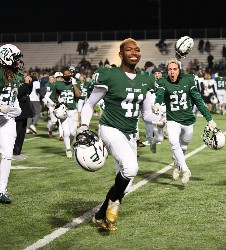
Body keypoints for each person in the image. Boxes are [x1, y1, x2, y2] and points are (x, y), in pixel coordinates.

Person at [78, 38, 165, 231]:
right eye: (129, 50)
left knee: (126, 179)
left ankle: (100, 215)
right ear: (120, 54)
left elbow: (147, 113)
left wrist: (162, 118)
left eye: (137, 50)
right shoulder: (109, 75)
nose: (134, 53)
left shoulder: (146, 79)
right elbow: (90, 103)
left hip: (130, 133)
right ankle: (114, 203)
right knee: (131, 167)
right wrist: (83, 127)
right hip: (110, 128)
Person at [155, 57, 217, 185]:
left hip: (188, 120)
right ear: (167, 71)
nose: (172, 72)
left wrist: (209, 118)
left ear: (179, 70)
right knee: (173, 142)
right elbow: (160, 94)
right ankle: (185, 170)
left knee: (183, 147)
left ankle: (177, 164)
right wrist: (157, 102)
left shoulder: (188, 79)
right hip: (173, 119)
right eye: (170, 69)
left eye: (175, 69)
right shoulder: (163, 81)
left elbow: (198, 100)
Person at [0, 44, 32, 204]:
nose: (18, 61)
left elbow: (13, 99)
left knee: (7, 155)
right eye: (15, 58)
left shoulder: (15, 75)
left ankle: (1, 190)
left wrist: (15, 110)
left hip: (6, 119)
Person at [54, 69, 81, 158]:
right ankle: (68, 149)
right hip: (64, 110)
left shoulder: (75, 83)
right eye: (65, 75)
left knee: (73, 133)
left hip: (73, 110)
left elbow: (78, 95)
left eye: (68, 75)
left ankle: (68, 145)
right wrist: (57, 101)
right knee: (66, 132)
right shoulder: (58, 84)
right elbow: (56, 96)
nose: (67, 76)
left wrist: (74, 84)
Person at [13, 70, 34, 160]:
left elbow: (28, 92)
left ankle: (18, 152)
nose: (25, 76)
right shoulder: (15, 83)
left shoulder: (23, 83)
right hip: (17, 110)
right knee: (16, 132)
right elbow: (18, 94)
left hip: (24, 111)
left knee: (22, 133)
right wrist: (25, 84)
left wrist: (30, 84)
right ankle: (14, 151)